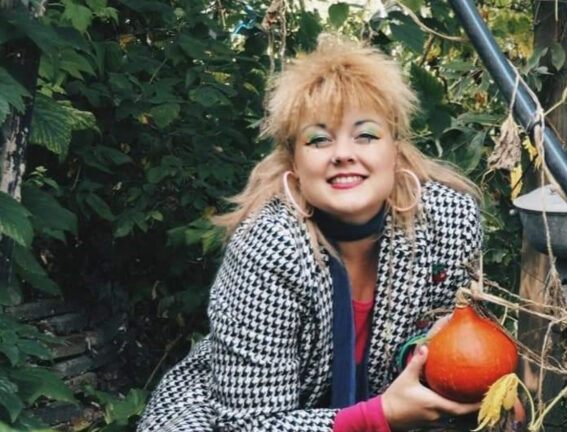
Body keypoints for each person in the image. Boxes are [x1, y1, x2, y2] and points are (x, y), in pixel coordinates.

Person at [137, 34, 484, 432]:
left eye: (366, 135)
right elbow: (249, 423)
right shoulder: (267, 245)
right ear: (294, 164)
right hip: (227, 418)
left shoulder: (448, 222)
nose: (343, 154)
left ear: (396, 149)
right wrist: (378, 416)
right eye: (319, 139)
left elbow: (455, 348)